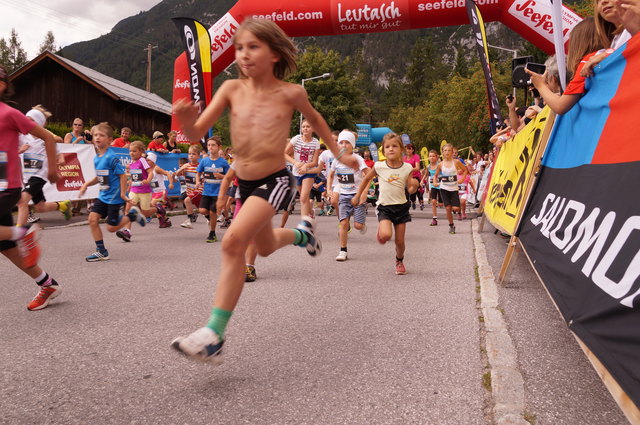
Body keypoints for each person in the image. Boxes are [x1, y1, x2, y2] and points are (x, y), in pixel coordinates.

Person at [170, 18, 358, 363]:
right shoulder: (230, 90)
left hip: (275, 181)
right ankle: (304, 236)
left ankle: (213, 334)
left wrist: (339, 152)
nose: (243, 54)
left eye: (253, 47)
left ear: (273, 54)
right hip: (245, 183)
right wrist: (184, 119)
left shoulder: (291, 93)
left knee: (232, 243)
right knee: (266, 246)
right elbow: (197, 130)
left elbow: (316, 121)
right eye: (239, 48)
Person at [0, 65, 64, 310]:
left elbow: (49, 137)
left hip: (6, 185)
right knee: (7, 249)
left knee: (11, 236)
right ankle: (47, 284)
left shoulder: (9, 114)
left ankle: (22, 232)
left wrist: (52, 169)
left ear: (2, 85)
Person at [78, 122, 146, 261]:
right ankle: (101, 251)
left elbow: (122, 175)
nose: (97, 138)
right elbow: (100, 177)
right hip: (103, 196)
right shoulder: (97, 158)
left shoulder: (111, 157)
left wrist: (122, 194)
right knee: (92, 219)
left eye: (101, 135)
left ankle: (132, 216)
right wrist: (86, 184)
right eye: (96, 135)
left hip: (114, 197)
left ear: (109, 140)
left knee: (111, 228)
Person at [354, 132, 417, 275]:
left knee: (399, 242)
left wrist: (414, 186)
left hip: (402, 207)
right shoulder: (379, 166)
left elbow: (410, 188)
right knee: (387, 235)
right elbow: (366, 179)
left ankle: (399, 260)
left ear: (401, 149)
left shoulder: (407, 168)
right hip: (385, 207)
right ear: (383, 150)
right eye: (387, 146)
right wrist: (358, 196)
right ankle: (382, 231)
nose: (391, 149)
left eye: (394, 146)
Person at [527, 18, 605, 115]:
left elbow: (560, 106)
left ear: (578, 45)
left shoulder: (587, 63)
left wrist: (540, 86)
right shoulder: (606, 55)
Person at [16, 105, 72, 226]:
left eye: (31, 121)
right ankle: (62, 205)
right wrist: (20, 150)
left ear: (39, 123)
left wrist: (60, 159)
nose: (27, 123)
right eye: (26, 120)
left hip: (39, 175)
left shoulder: (46, 138)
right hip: (27, 177)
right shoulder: (22, 137)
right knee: (40, 207)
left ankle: (19, 231)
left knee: (22, 201)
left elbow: (57, 152)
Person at [327, 130, 369, 261]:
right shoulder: (336, 160)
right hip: (344, 196)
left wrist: (364, 193)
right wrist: (329, 188)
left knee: (357, 226)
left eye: (347, 143)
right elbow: (330, 175)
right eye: (341, 143)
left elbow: (368, 176)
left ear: (353, 145)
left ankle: (362, 224)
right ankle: (343, 251)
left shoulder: (358, 159)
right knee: (344, 223)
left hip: (357, 195)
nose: (344, 145)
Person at [116, 140, 156, 242]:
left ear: (141, 152)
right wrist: (128, 182)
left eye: (134, 151)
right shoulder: (131, 163)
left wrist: (147, 180)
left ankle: (158, 209)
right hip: (134, 190)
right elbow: (134, 177)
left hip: (145, 191)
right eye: (130, 151)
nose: (131, 153)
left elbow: (150, 172)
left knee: (145, 213)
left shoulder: (142, 160)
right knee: (128, 209)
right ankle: (127, 232)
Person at [196, 136, 230, 243]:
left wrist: (221, 176)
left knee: (212, 212)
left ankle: (212, 233)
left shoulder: (223, 162)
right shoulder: (204, 161)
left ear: (219, 147)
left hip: (218, 193)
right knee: (202, 210)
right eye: (209, 145)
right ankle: (211, 219)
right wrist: (197, 181)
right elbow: (198, 173)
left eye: (213, 145)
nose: (210, 147)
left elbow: (230, 177)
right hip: (206, 191)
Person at [285, 119, 320, 217]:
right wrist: (295, 162)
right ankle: (311, 213)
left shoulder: (315, 142)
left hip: (308, 172)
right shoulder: (296, 139)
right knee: (303, 198)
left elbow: (315, 162)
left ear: (312, 128)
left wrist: (306, 166)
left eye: (308, 126)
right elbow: (284, 154)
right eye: (303, 126)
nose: (305, 128)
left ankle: (304, 224)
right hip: (297, 172)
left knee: (303, 198)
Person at [433, 144, 468, 235]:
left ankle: (457, 210)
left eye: (449, 150)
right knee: (448, 208)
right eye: (445, 150)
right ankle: (451, 225)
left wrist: (462, 179)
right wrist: (434, 182)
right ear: (443, 153)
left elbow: (465, 170)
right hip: (444, 188)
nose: (447, 152)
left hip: (454, 188)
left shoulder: (456, 162)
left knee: (456, 208)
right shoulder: (440, 164)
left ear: (452, 152)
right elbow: (435, 175)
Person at [174, 144, 203, 228]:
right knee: (202, 210)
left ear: (198, 156)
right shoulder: (186, 165)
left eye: (193, 154)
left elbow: (204, 177)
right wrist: (182, 168)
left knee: (187, 200)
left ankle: (189, 220)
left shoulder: (200, 166)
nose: (191, 155)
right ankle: (199, 216)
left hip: (199, 190)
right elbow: (178, 174)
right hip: (189, 190)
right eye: (189, 154)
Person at [146, 151, 174, 228]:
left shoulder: (156, 168)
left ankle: (162, 221)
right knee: (155, 207)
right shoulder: (148, 170)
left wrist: (171, 183)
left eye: (148, 160)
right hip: (154, 193)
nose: (146, 162)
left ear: (153, 161)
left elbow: (168, 174)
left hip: (162, 191)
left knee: (154, 204)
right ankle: (165, 221)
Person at [421, 149, 441, 226]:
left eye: (433, 156)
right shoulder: (428, 166)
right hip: (433, 186)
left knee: (441, 204)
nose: (431, 158)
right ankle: (434, 219)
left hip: (441, 185)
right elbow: (426, 174)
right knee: (433, 201)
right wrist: (422, 180)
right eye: (430, 156)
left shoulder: (439, 165)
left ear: (436, 157)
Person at [403, 144, 423, 210]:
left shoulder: (416, 157)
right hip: (407, 177)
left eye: (409, 149)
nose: (408, 150)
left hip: (415, 177)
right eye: (406, 149)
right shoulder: (404, 158)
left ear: (413, 150)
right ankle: (407, 206)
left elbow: (417, 167)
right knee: (406, 192)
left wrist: (410, 169)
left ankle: (415, 201)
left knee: (414, 192)